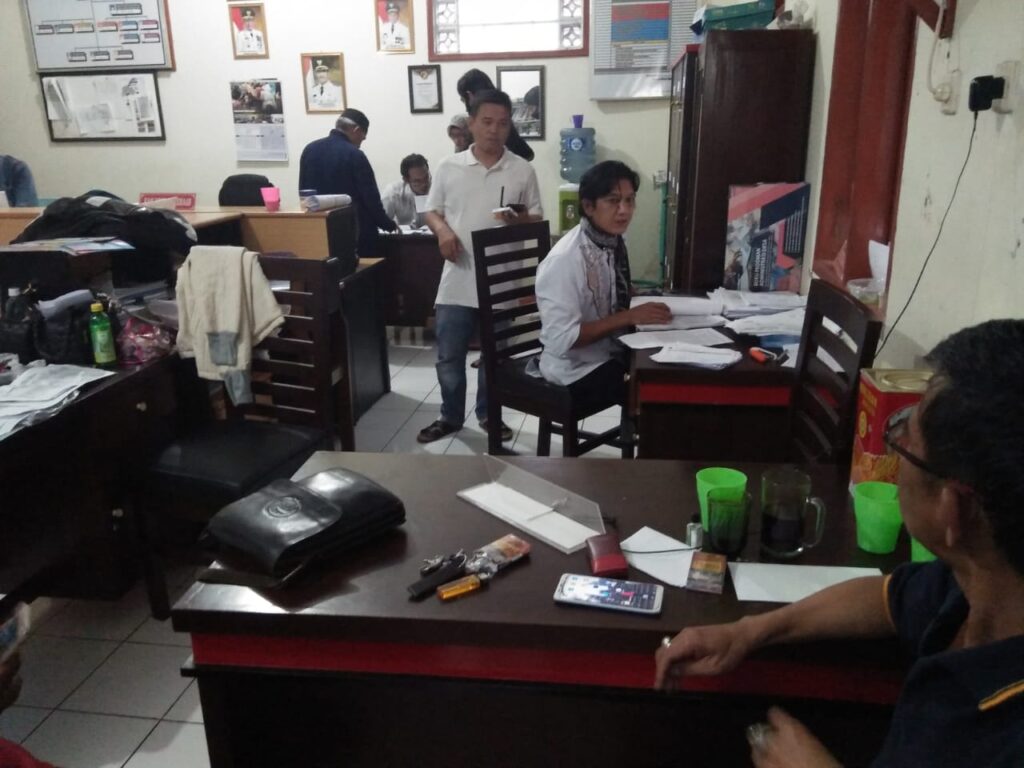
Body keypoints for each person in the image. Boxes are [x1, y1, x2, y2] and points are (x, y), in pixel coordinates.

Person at [654, 319, 1024, 768]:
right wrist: (747, 631)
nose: (895, 447)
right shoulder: (974, 583)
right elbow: (887, 597)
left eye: (905, 442)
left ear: (952, 509)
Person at [417, 89, 542, 444]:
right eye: (486, 122)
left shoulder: (522, 169)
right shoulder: (449, 166)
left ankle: (490, 414)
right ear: (471, 123)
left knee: (495, 357)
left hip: (502, 281)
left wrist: (519, 219)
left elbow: (536, 218)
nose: (494, 130)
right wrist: (443, 231)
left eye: (502, 123)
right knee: (449, 355)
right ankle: (450, 416)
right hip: (457, 278)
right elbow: (431, 210)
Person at [535, 161, 670, 412]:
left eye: (630, 200)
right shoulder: (565, 260)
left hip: (609, 352)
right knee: (655, 391)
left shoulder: (611, 241)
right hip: (574, 369)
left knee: (668, 368)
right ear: (588, 206)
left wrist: (637, 297)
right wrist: (628, 316)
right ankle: (643, 432)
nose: (624, 210)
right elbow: (564, 338)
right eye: (613, 201)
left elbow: (612, 289)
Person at [298, 108, 398, 258]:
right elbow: (371, 199)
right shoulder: (354, 155)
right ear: (356, 130)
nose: (360, 143)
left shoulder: (309, 150)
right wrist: (388, 225)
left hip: (319, 232)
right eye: (362, 138)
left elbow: (304, 194)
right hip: (355, 236)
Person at [456, 69, 534, 162]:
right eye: (487, 122)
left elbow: (526, 154)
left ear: (470, 96)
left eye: (463, 100)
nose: (494, 130)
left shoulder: (472, 125)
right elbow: (527, 154)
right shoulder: (504, 121)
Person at [380, 154, 430, 226]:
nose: (424, 184)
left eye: (426, 178)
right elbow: (382, 223)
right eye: (417, 181)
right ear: (406, 180)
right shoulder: (393, 192)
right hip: (404, 233)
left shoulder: (437, 189)